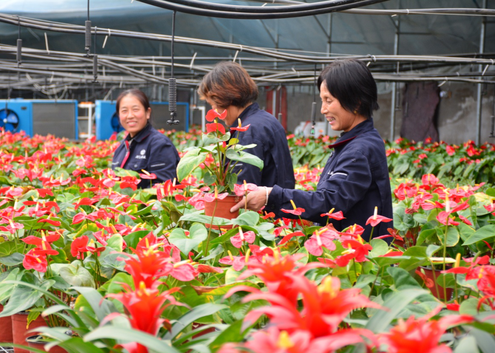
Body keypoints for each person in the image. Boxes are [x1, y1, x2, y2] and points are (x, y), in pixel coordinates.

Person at [231, 59, 393, 240]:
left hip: (357, 259)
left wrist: (271, 195)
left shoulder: (359, 150)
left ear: (355, 102)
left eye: (328, 100)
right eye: (322, 101)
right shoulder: (355, 142)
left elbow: (330, 202)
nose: (323, 109)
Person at [199, 61, 295, 189]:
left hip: (262, 208)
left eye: (213, 104)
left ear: (224, 97)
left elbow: (242, 191)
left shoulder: (248, 131)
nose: (214, 111)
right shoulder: (267, 120)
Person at [111, 89, 179, 189]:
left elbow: (163, 188)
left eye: (135, 109)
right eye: (124, 111)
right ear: (119, 116)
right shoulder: (122, 147)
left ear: (148, 113)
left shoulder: (159, 144)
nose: (130, 116)